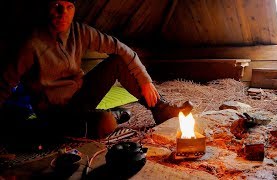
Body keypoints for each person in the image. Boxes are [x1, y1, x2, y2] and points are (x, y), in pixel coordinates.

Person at [0, 0, 193, 142]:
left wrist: (145, 80)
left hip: (81, 95)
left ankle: (160, 109)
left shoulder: (79, 31)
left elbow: (120, 48)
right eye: (57, 6)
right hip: (56, 112)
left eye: (69, 7)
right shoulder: (31, 43)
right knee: (106, 123)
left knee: (118, 61)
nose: (63, 13)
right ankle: (114, 114)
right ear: (47, 7)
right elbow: (5, 83)